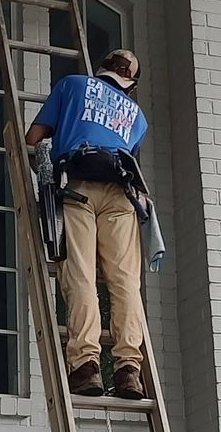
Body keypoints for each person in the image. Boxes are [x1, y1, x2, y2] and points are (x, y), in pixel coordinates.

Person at [26, 49, 151, 399]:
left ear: (102, 70)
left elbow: (33, 139)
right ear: (130, 84)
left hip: (77, 186)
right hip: (122, 195)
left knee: (80, 274)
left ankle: (85, 368)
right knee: (124, 282)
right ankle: (129, 371)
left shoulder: (73, 85)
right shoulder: (136, 115)